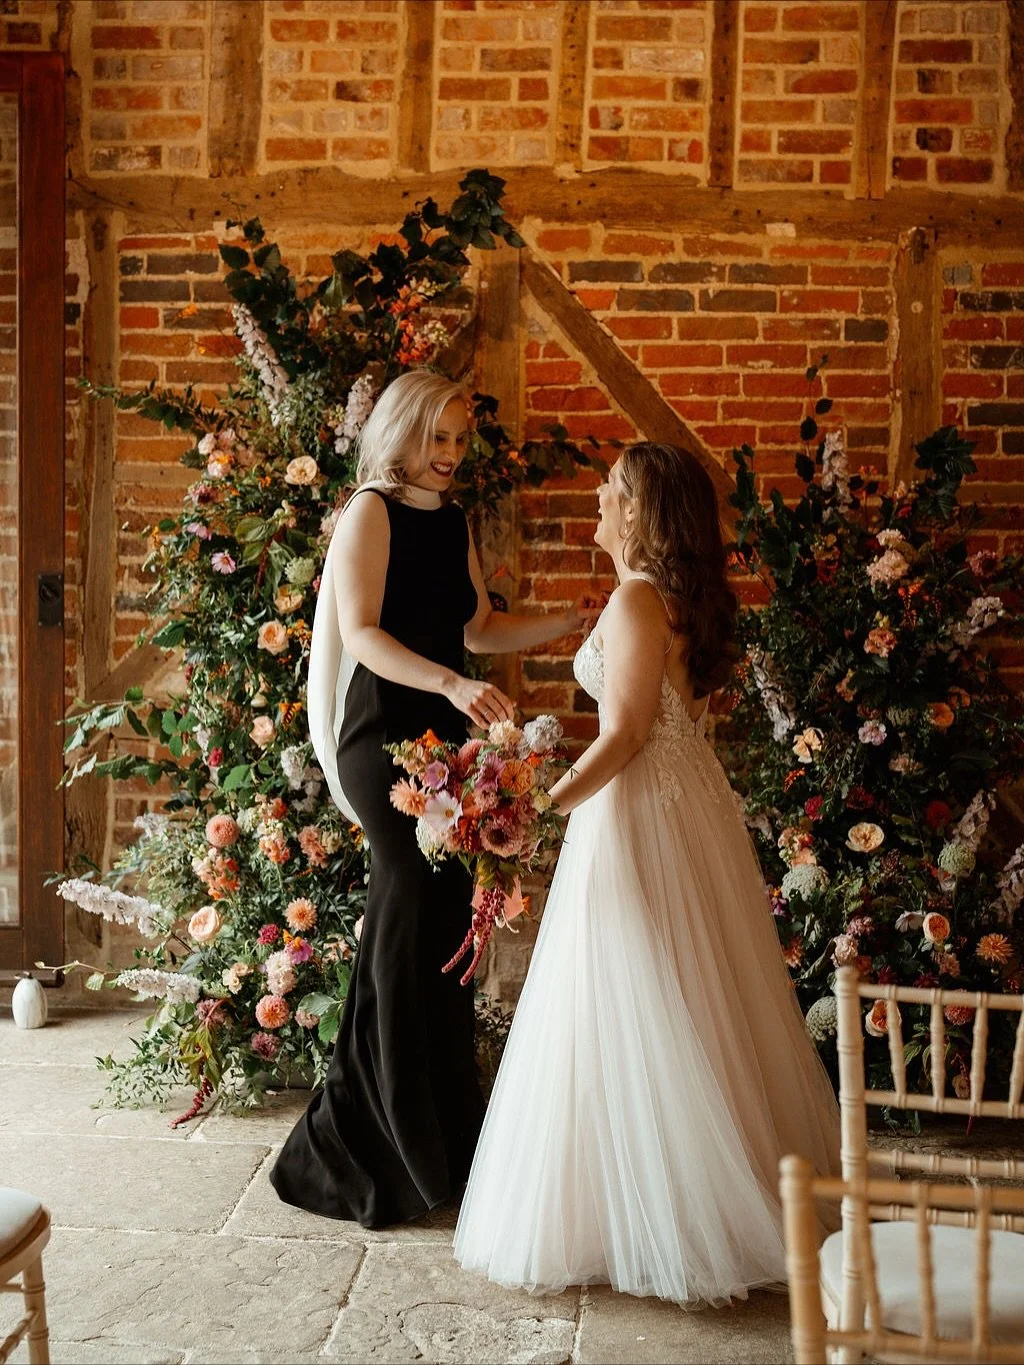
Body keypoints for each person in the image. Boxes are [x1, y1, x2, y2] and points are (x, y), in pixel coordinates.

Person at [453, 442, 840, 1306]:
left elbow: (625, 734)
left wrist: (537, 808)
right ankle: (650, 1195)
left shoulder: (635, 600)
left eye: (612, 488)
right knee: (679, 993)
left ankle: (676, 1209)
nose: (596, 494)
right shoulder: (662, 600)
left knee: (637, 988)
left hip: (639, 813)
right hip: (682, 806)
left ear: (639, 511)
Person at [270, 369, 596, 1229]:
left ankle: (432, 1140)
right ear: (402, 433)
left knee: (449, 919)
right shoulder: (368, 512)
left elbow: (477, 629)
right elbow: (363, 633)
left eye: (459, 440)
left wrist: (562, 627)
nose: (450, 455)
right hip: (383, 741)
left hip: (446, 742)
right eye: (436, 438)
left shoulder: (453, 521)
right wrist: (452, 684)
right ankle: (368, 1135)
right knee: (409, 898)